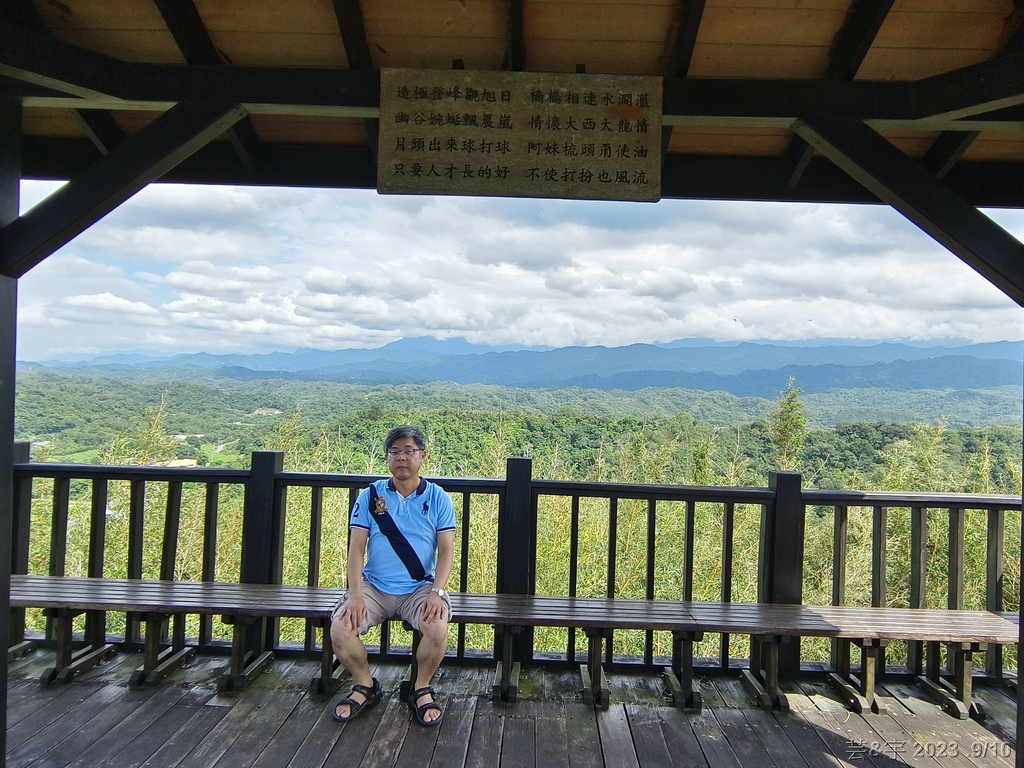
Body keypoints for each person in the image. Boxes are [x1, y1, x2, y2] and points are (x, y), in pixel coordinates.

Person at [330, 425, 455, 727]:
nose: (402, 457)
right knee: (340, 628)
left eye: (408, 451)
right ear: (387, 458)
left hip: (419, 588)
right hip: (374, 586)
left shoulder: (438, 498)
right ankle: (365, 685)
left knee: (437, 628)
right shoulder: (370, 496)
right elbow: (356, 549)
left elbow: (447, 551)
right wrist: (356, 594)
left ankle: (420, 687)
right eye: (395, 452)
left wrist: (437, 592)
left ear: (422, 456)